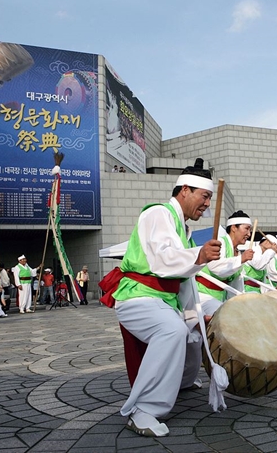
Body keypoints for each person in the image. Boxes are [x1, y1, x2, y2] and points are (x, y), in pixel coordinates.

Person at [100, 158, 221, 437]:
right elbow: (163, 259)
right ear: (185, 190)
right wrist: (200, 255)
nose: (207, 204)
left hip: (162, 300)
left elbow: (185, 282)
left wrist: (195, 316)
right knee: (172, 330)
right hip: (137, 297)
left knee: (192, 330)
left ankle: (181, 382)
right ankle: (143, 410)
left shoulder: (184, 229)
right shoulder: (158, 213)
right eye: (204, 196)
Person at [196, 211, 254, 315]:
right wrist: (241, 259)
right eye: (247, 228)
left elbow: (236, 283)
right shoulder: (220, 243)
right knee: (225, 316)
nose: (249, 234)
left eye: (250, 230)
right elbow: (215, 267)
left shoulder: (238, 252)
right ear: (234, 228)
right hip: (203, 295)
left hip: (220, 297)